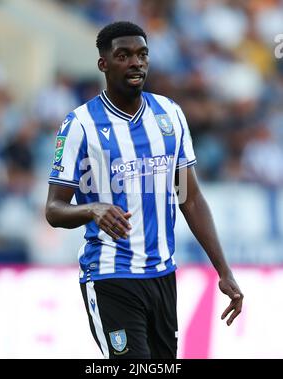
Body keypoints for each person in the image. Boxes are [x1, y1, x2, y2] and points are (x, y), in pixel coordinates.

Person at [45, 21, 243, 359]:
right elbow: (53, 210)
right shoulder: (79, 125)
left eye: (142, 54)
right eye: (124, 55)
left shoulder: (170, 115)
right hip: (110, 276)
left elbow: (190, 199)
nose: (136, 62)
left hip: (163, 276)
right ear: (103, 64)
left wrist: (223, 271)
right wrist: (91, 210)